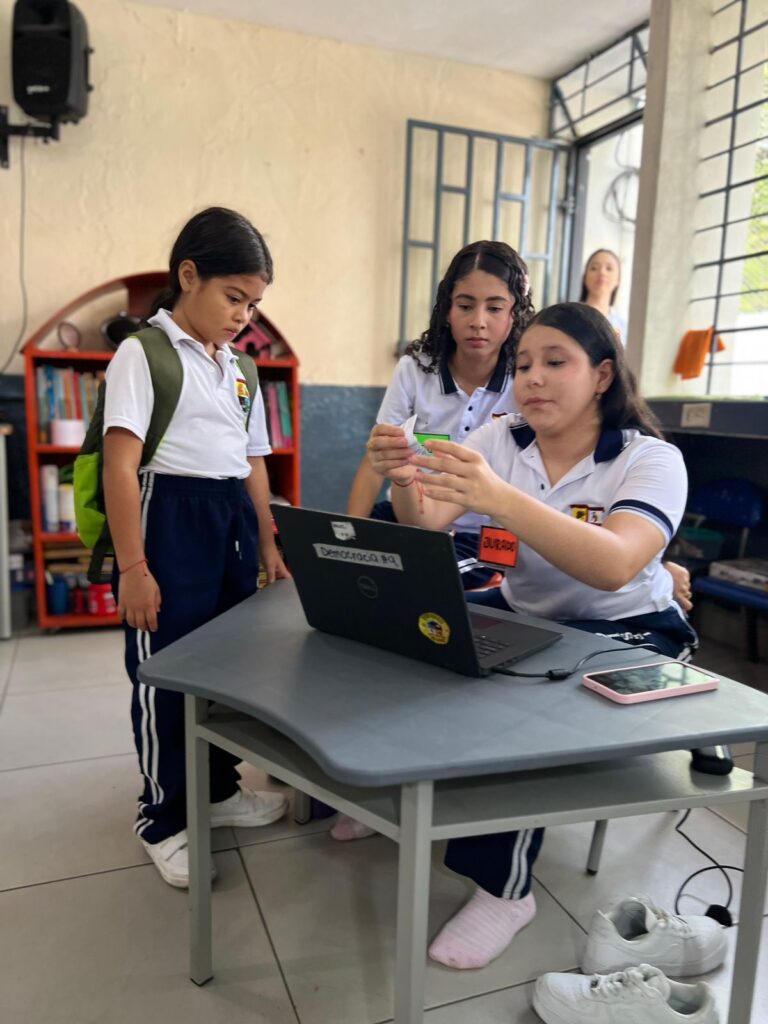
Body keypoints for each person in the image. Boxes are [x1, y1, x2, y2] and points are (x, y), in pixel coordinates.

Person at [366, 301, 698, 969]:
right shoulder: (501, 438)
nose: (533, 379)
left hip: (632, 628)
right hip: (532, 616)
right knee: (422, 637)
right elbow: (424, 521)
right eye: (522, 366)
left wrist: (500, 498)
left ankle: (505, 890)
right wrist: (402, 481)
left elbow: (614, 565)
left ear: (601, 376)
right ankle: (386, 789)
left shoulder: (652, 459)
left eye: (555, 362)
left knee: (522, 706)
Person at [102, 207, 290, 888]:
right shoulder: (143, 353)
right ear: (189, 276)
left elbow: (254, 461)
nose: (244, 315)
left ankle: (216, 791)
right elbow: (120, 465)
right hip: (169, 517)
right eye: (234, 297)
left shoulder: (241, 368)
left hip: (230, 518)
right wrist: (134, 566)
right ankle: (162, 817)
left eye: (254, 304)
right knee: (165, 673)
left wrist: (267, 540)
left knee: (226, 668)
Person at [347, 240, 534, 590]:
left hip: (482, 535)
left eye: (495, 308)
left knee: (416, 580)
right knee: (351, 570)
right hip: (404, 516)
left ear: (516, 313)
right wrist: (347, 537)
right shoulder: (415, 368)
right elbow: (377, 460)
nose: (478, 322)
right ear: (447, 310)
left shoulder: (526, 379)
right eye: (465, 305)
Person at [580, 248, 627, 341]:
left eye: (609, 268)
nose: (602, 272)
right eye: (594, 268)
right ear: (584, 277)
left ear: (618, 279)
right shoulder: (570, 317)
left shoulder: (623, 327)